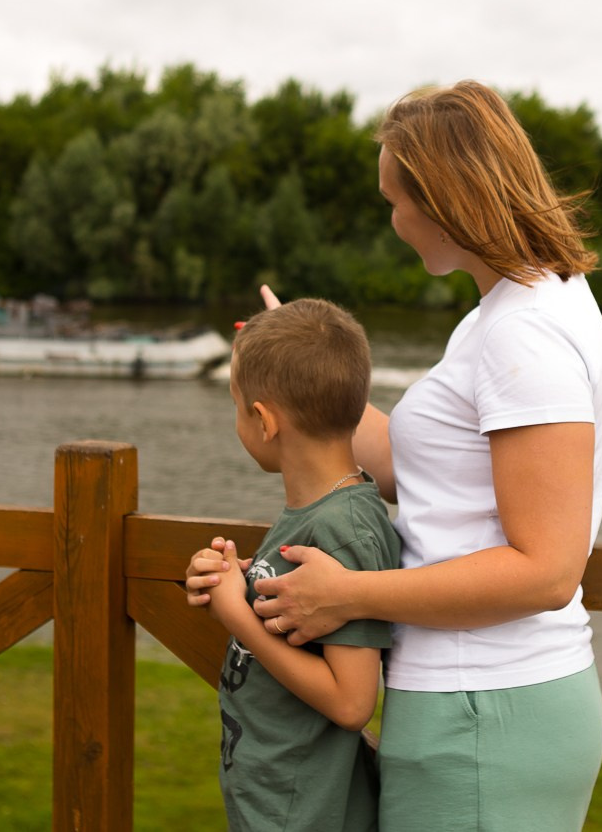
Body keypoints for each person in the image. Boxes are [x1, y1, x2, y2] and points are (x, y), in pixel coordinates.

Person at [187, 80, 602, 831]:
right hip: (479, 707)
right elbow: (420, 467)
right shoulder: (519, 307)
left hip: (484, 710)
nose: (393, 221)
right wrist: (298, 368)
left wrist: (351, 594)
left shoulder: (523, 334)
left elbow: (549, 570)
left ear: (446, 200)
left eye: (395, 200)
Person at [192, 297, 401, 832]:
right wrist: (235, 582)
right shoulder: (319, 510)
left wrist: (237, 616)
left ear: (264, 421)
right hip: (272, 797)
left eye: (236, 405)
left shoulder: (345, 528)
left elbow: (352, 702)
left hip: (301, 811)